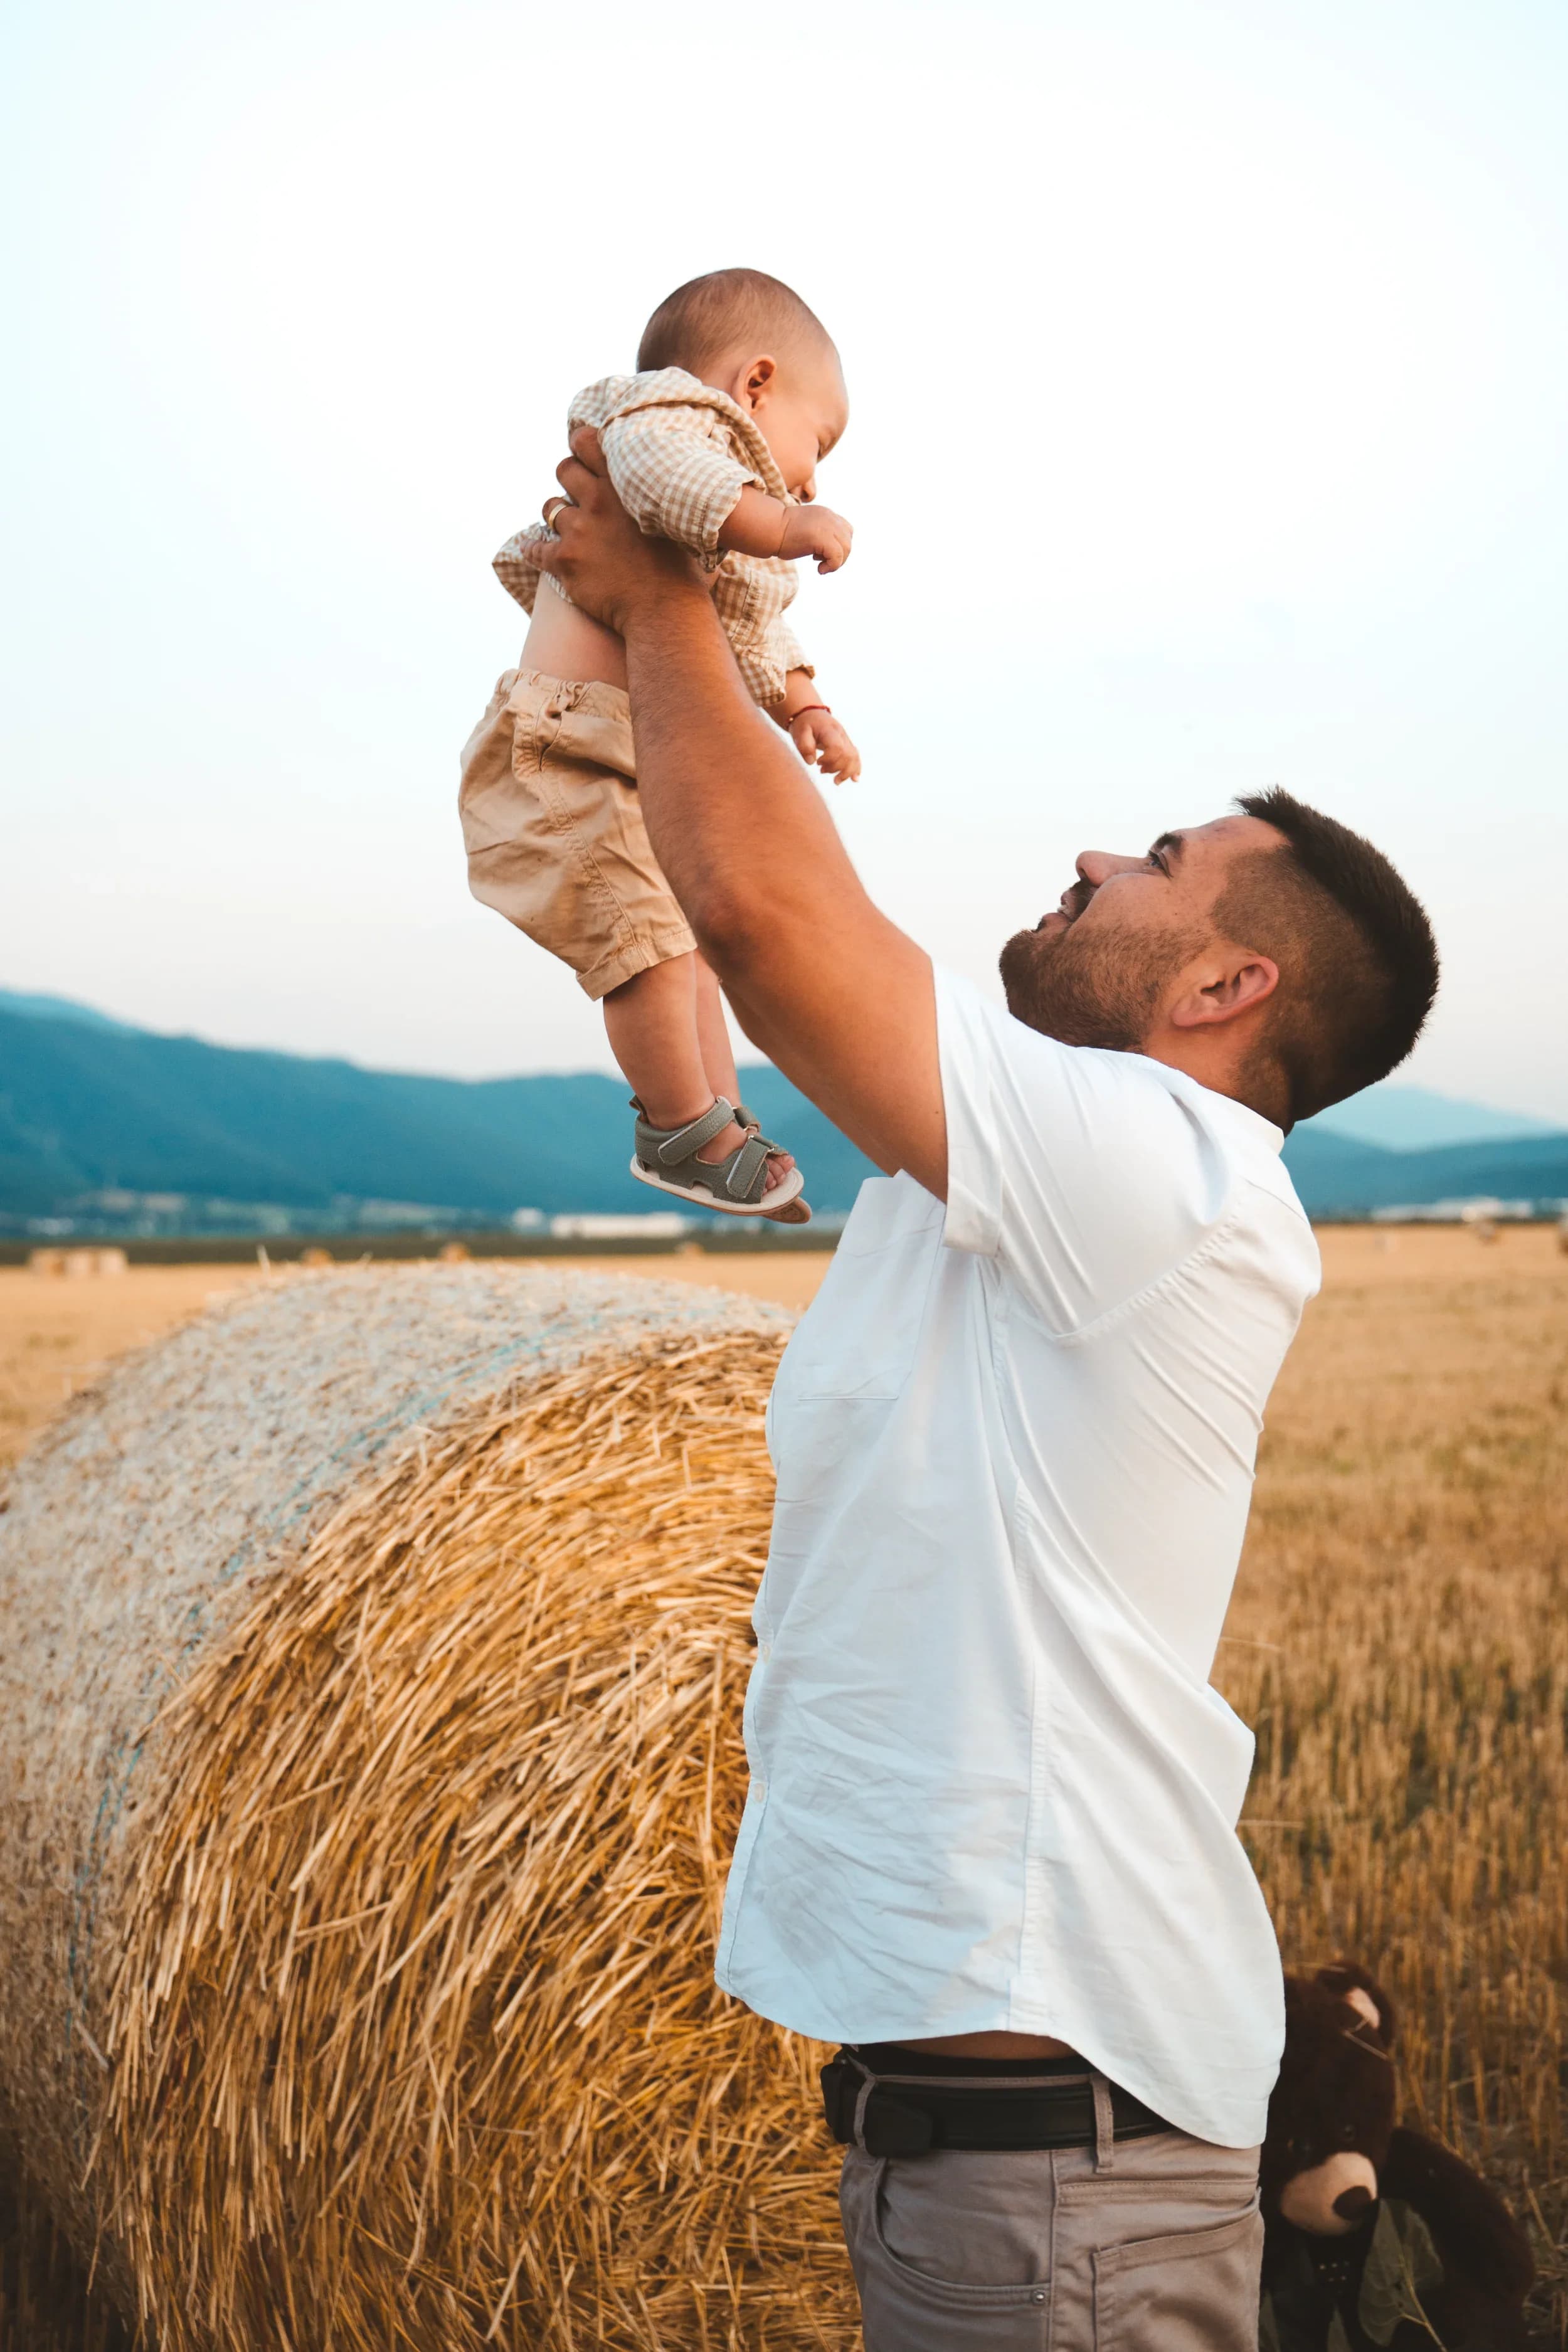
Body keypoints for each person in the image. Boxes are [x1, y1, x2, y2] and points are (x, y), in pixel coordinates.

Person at [529, 433, 1439, 2351]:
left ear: (1223, 986)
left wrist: (664, 587)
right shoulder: (1018, 1186)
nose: (1103, 852)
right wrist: (617, 646)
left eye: (1160, 863)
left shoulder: (1171, 1174)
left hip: (1058, 2187)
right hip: (998, 2167)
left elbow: (786, 930)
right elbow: (736, 917)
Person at [458, 268, 860, 1224]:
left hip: (622, 758)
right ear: (753, 386)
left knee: (693, 952)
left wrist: (804, 704)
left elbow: (751, 633)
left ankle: (724, 1124)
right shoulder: (663, 421)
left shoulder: (709, 521)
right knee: (646, 948)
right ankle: (681, 1128)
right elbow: (666, 477)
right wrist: (782, 520)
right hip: (562, 754)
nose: (812, 476)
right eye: (820, 444)